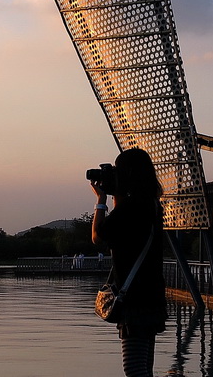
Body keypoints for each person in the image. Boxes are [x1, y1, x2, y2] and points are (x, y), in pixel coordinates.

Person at [91, 147, 166, 377]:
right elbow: (120, 233)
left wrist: (101, 200)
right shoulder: (151, 207)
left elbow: (98, 236)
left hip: (134, 302)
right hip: (152, 297)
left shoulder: (131, 210)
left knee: (134, 369)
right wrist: (118, 196)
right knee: (144, 367)